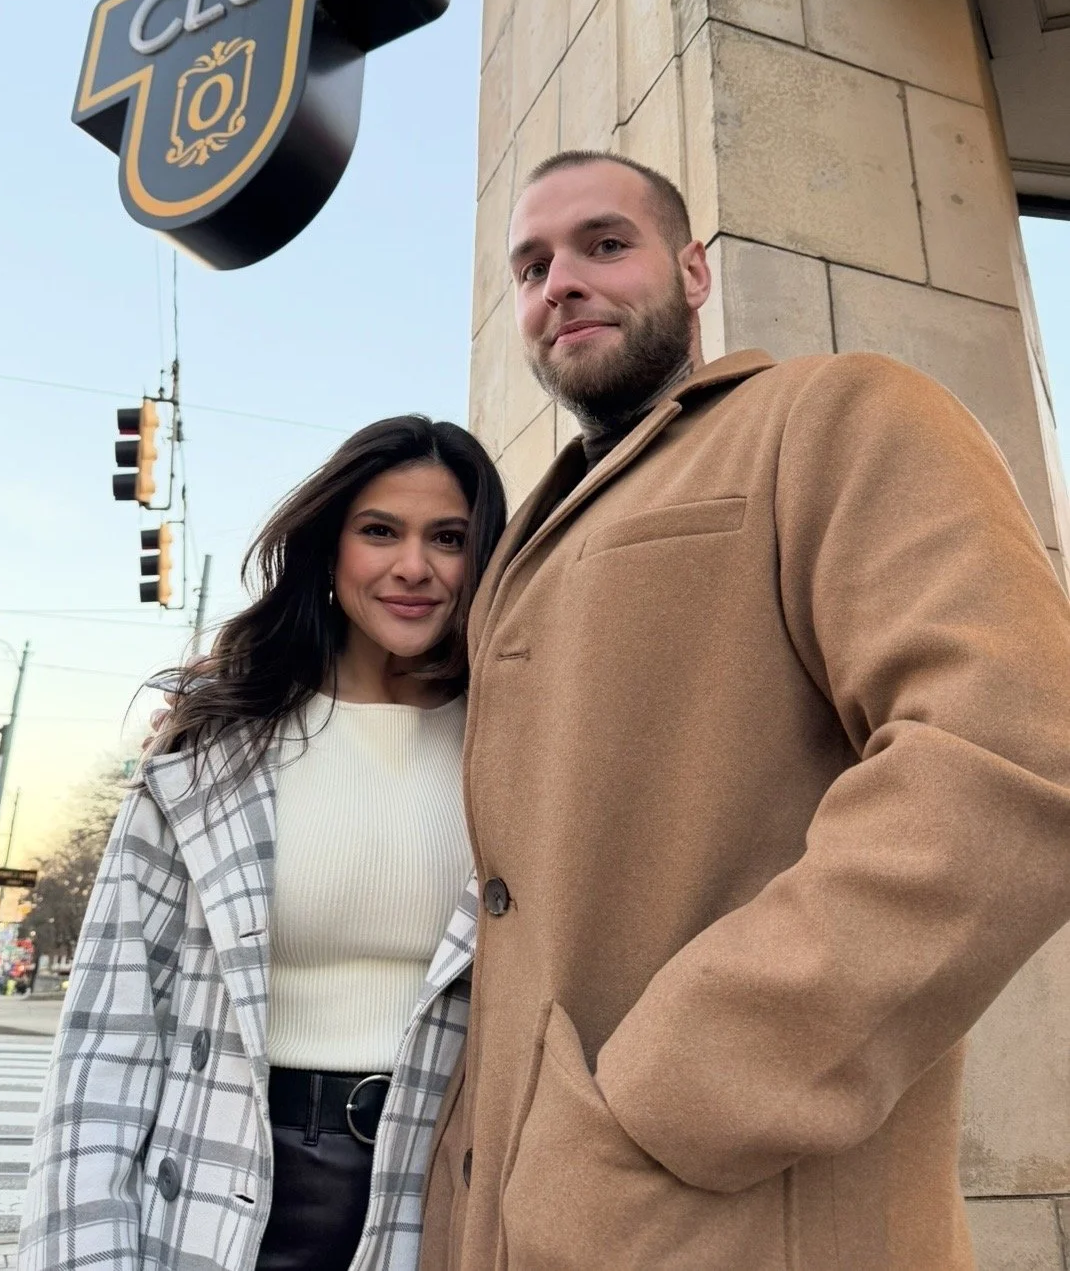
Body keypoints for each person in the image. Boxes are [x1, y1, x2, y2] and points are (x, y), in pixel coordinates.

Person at [416, 151, 1070, 1271]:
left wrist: (673, 1095)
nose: (560, 281)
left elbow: (1011, 747)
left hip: (731, 1219)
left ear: (694, 271)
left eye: (604, 244)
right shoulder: (522, 542)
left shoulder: (832, 412)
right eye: (530, 267)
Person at [18, 415, 506, 1271]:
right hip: (217, 1184)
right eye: (379, 531)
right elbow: (110, 1036)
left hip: (439, 1192)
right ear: (329, 548)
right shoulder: (214, 746)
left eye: (448, 538)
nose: (413, 566)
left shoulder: (510, 748)